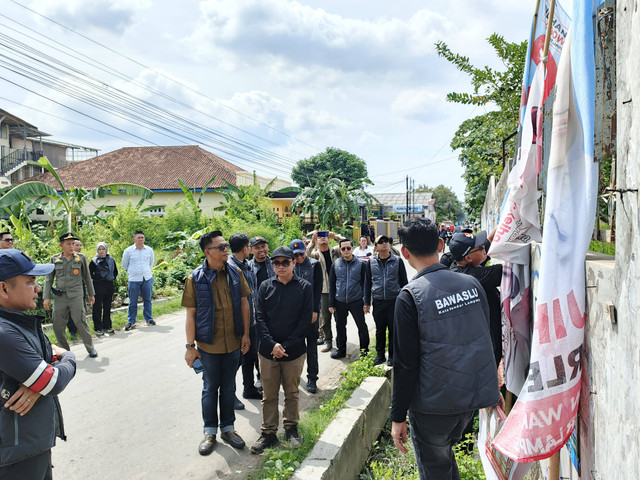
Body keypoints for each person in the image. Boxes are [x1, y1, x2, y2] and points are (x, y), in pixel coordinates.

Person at [390, 218, 500, 479]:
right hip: (471, 400)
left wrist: (397, 417)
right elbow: (485, 338)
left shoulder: (409, 296)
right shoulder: (472, 285)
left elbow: (405, 364)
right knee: (447, 462)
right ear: (441, 244)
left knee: (437, 469)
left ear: (405, 253)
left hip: (434, 407)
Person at [0, 249, 77, 479]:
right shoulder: (5, 332)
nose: (37, 288)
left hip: (30, 445)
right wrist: (69, 358)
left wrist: (39, 383)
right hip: (15, 455)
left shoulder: (20, 322)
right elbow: (52, 381)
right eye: (30, 281)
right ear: (4, 288)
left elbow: (45, 371)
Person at [182, 231, 251, 455]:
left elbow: (244, 304)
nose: (226, 250)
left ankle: (228, 429)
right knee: (210, 389)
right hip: (208, 346)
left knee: (229, 387)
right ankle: (210, 432)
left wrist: (246, 334)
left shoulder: (235, 272)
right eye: (221, 247)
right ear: (207, 252)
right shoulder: (195, 278)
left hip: (233, 342)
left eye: (226, 247)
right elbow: (190, 315)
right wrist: (190, 347)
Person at [251, 247, 312, 454]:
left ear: (294, 263)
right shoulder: (265, 287)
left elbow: (305, 321)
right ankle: (268, 433)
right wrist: (272, 345)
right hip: (268, 352)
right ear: (272, 265)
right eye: (276, 263)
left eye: (285, 262)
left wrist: (285, 345)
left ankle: (291, 428)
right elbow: (260, 318)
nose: (281, 266)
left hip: (293, 352)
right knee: (268, 395)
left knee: (292, 392)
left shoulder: (304, 287)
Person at [449, 229, 503, 368]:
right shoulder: (471, 277)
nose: (484, 248)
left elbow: (489, 240)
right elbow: (504, 271)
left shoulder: (458, 266)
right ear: (468, 258)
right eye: (480, 248)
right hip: (487, 340)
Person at [43, 233, 97, 358]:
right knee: (57, 324)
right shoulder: (54, 259)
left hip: (76, 295)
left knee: (80, 321)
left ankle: (90, 348)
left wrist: (91, 294)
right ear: (61, 245)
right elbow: (49, 279)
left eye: (73, 243)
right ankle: (65, 351)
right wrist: (46, 297)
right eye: (68, 244)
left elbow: (87, 277)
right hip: (60, 297)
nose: (72, 246)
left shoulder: (81, 258)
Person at [228, 233, 262, 410]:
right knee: (235, 361)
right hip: (238, 323)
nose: (250, 249)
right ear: (244, 249)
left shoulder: (248, 265)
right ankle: (229, 395)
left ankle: (248, 388)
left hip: (252, 319)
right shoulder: (229, 268)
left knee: (250, 356)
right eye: (249, 246)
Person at [364, 234, 408, 366]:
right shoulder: (370, 262)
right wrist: (366, 302)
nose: (384, 243)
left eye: (386, 241)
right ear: (376, 247)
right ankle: (380, 355)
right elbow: (367, 284)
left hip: (393, 300)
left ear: (390, 245)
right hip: (378, 301)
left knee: (393, 330)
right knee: (380, 329)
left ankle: (393, 356)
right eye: (380, 242)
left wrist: (405, 302)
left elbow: (404, 282)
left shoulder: (397, 261)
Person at [290, 239, 323, 393]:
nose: (299, 257)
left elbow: (317, 290)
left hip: (310, 313)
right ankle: (292, 377)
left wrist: (315, 311)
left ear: (306, 251)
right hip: (293, 314)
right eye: (295, 255)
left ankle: (312, 378)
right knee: (293, 347)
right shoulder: (288, 266)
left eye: (301, 253)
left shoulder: (314, 265)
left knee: (311, 347)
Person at [328, 238, 369, 359]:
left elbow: (365, 284)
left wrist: (366, 302)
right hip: (340, 301)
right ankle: (341, 350)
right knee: (340, 327)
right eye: (343, 248)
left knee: (361, 326)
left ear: (352, 248)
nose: (346, 250)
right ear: (340, 250)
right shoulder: (336, 264)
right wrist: (331, 303)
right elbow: (332, 285)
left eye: (348, 248)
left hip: (356, 301)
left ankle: (364, 352)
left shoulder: (361, 264)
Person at [306, 231, 342, 352]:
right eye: (319, 238)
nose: (322, 239)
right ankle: (327, 340)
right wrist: (312, 242)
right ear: (316, 240)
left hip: (338, 288)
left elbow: (345, 243)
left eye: (324, 237)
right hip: (324, 289)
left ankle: (341, 339)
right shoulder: (315, 254)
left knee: (339, 316)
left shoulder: (335, 251)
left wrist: (335, 236)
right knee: (325, 317)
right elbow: (305, 255)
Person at [122, 230, 155, 331]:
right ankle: (131, 322)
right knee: (133, 301)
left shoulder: (149, 250)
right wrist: (134, 272)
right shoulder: (128, 251)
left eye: (142, 238)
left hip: (147, 278)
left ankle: (149, 319)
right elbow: (124, 265)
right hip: (134, 280)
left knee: (147, 299)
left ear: (144, 239)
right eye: (138, 238)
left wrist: (145, 272)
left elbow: (151, 263)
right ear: (134, 239)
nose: (140, 239)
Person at [89, 242, 118, 337]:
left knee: (107, 307)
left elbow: (115, 272)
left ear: (106, 249)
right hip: (98, 286)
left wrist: (110, 277)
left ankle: (107, 325)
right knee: (97, 307)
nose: (101, 251)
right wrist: (98, 277)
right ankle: (98, 327)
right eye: (99, 249)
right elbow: (89, 274)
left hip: (108, 286)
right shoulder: (94, 261)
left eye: (103, 249)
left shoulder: (111, 260)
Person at [65, 240, 86, 338]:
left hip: (80, 286)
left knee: (81, 308)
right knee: (70, 310)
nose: (79, 247)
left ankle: (81, 329)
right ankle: (72, 330)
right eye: (77, 245)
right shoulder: (66, 258)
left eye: (80, 245)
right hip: (69, 288)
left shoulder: (82, 258)